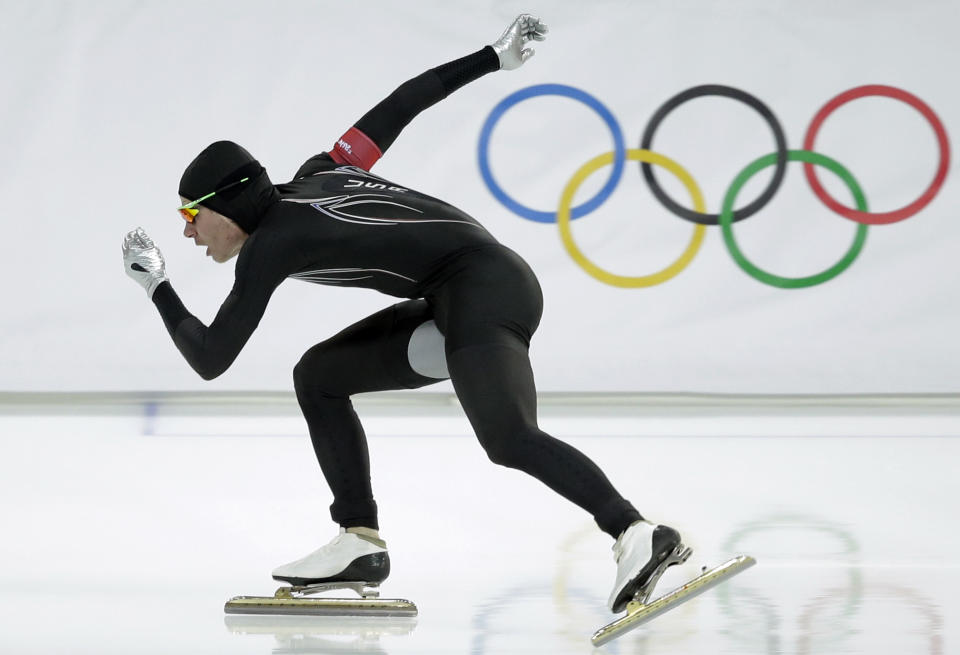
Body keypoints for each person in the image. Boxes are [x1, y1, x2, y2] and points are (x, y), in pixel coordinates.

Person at [121, 14, 685, 615]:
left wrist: (156, 285)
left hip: (483, 289)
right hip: (459, 293)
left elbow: (211, 358)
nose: (188, 234)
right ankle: (358, 541)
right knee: (319, 377)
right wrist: (493, 57)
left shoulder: (271, 245)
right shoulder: (324, 169)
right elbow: (403, 103)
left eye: (191, 217)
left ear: (226, 204)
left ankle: (635, 531)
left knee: (509, 438)